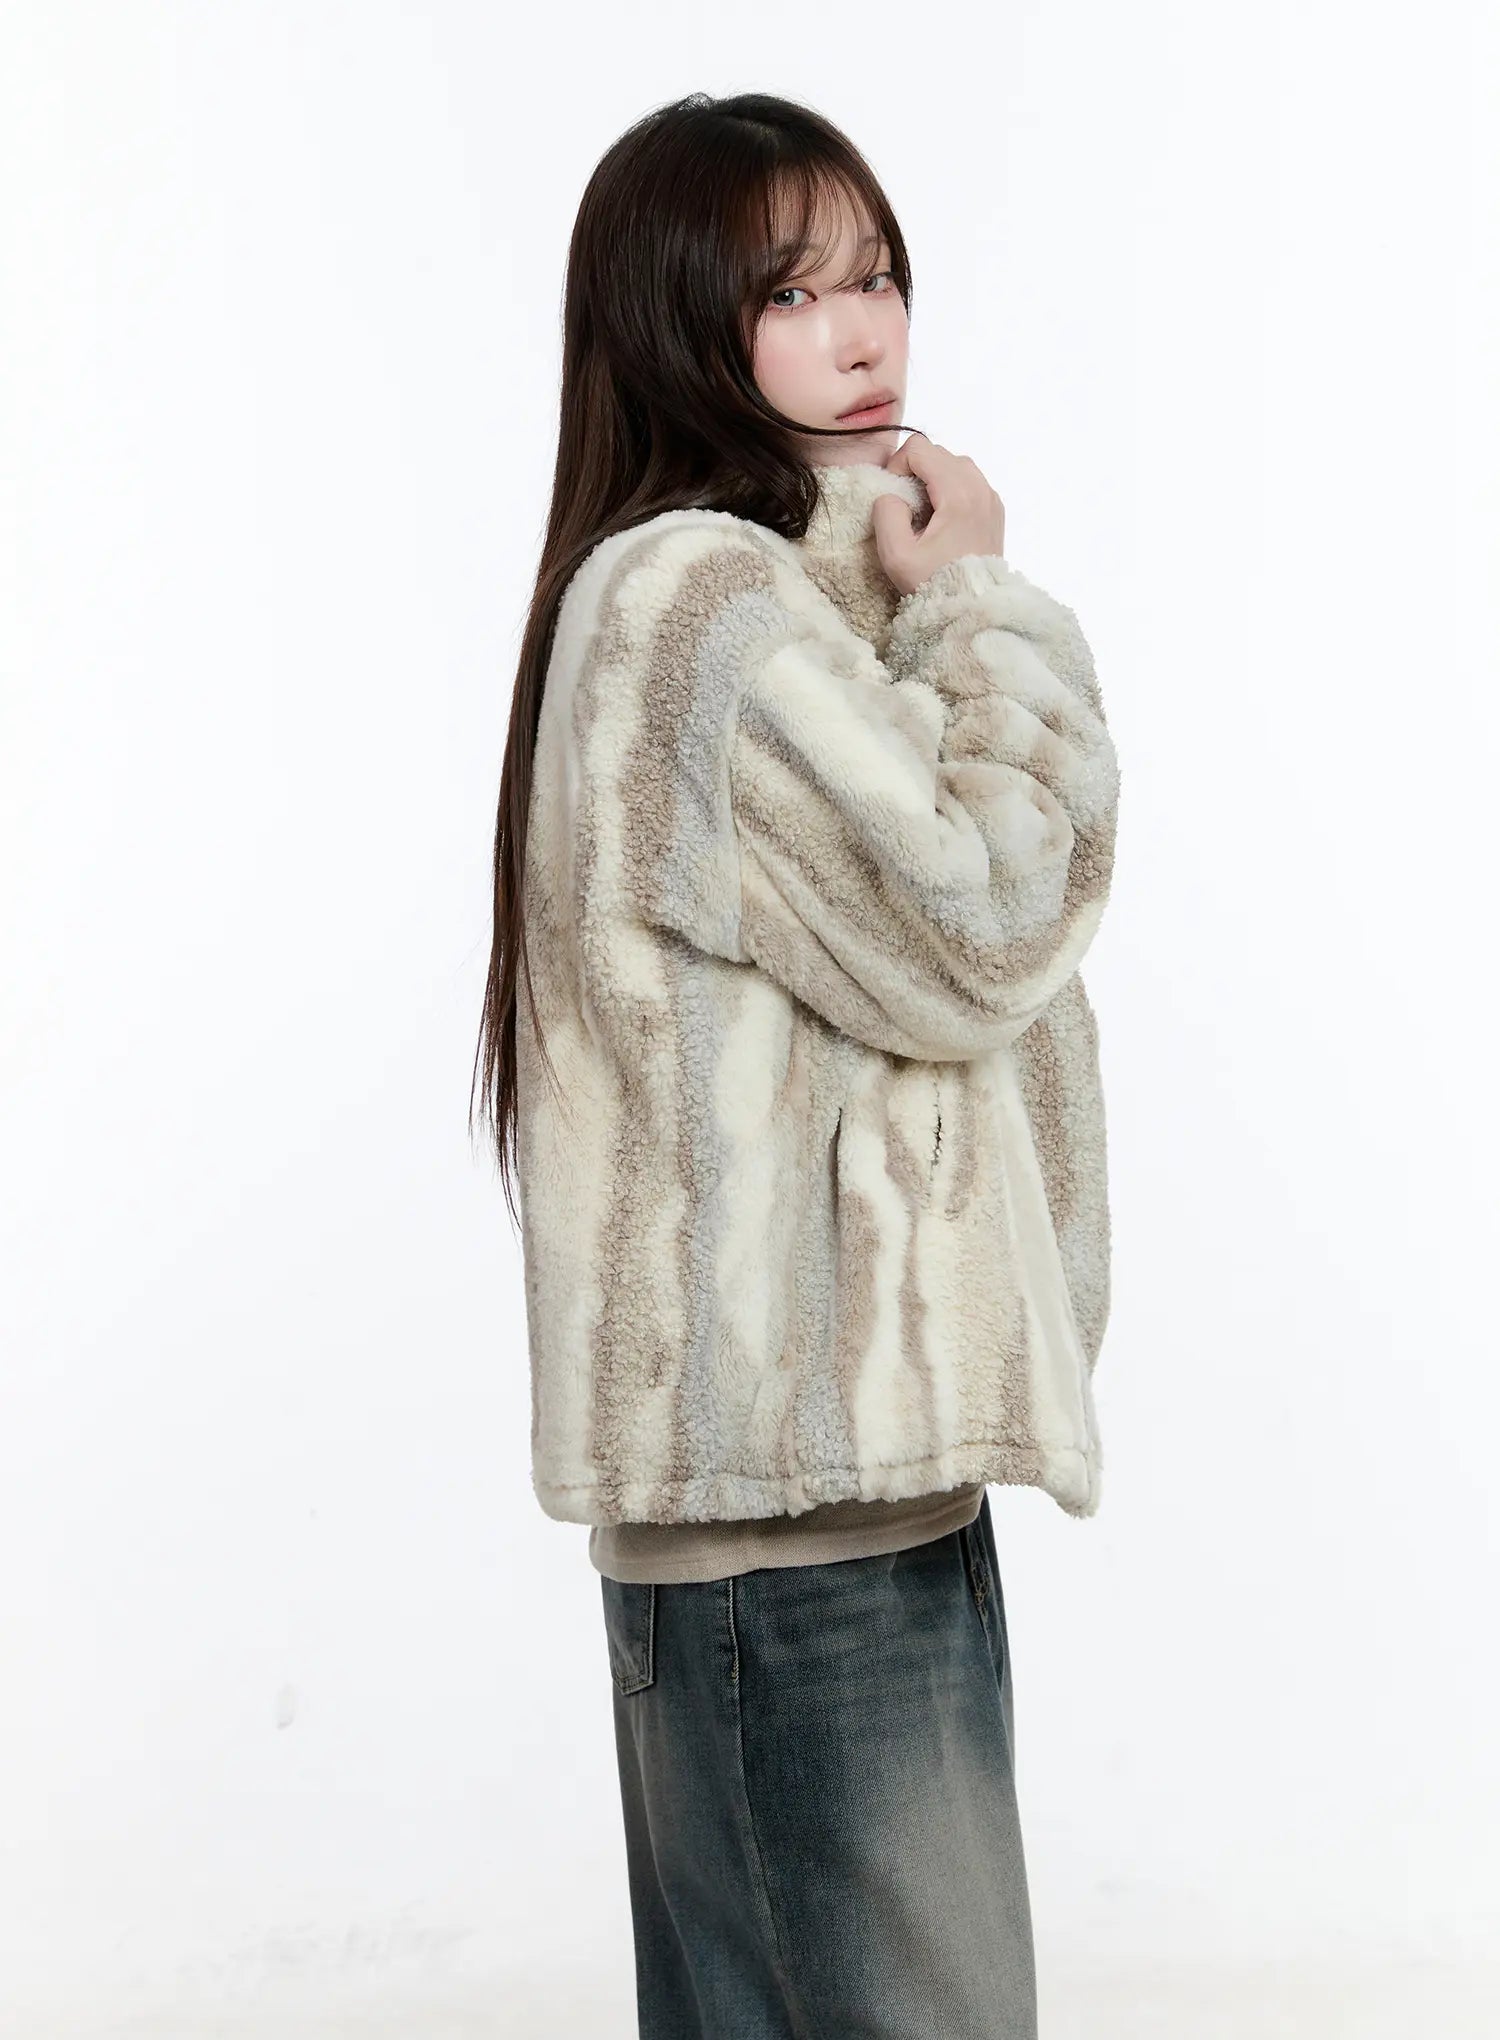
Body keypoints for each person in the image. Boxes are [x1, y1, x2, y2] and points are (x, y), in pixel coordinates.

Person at [471, 89, 1120, 2040]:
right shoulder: (698, 610)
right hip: (796, 1543)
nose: (862, 333)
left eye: (879, 276)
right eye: (790, 291)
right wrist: (979, 604)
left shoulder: (774, 603)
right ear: (675, 318)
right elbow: (984, 919)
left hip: (836, 1517)